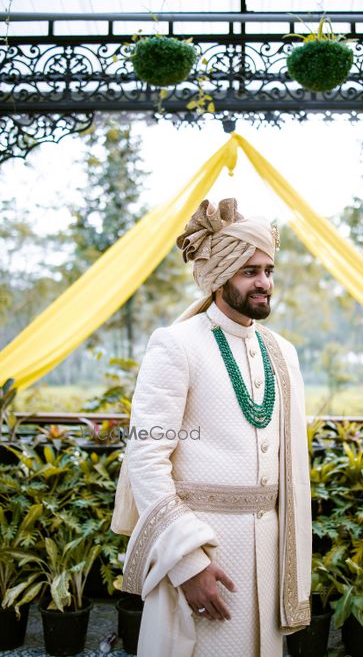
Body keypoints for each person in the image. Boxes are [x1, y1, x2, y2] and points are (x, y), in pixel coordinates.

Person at [111, 198, 312, 657]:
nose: (265, 282)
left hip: (268, 562)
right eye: (250, 271)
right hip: (205, 557)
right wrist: (187, 563)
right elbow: (145, 457)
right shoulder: (176, 344)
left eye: (269, 269)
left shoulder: (282, 351)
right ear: (220, 276)